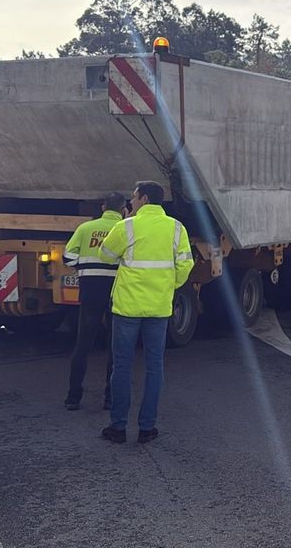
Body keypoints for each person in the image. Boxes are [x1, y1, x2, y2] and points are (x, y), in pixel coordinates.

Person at [98, 181, 194, 444]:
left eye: (134, 197)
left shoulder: (127, 226)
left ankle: (118, 427)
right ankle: (147, 427)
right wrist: (168, 286)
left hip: (127, 307)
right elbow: (186, 265)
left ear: (145, 199)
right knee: (155, 366)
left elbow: (105, 255)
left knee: (122, 365)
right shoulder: (176, 228)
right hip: (159, 307)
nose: (131, 201)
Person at [61, 193, 126, 411]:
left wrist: (85, 268)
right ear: (123, 209)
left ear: (103, 207)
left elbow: (68, 257)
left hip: (90, 290)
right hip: (117, 291)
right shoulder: (126, 229)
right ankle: (110, 398)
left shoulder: (86, 228)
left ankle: (73, 398)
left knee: (83, 344)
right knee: (114, 346)